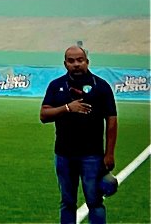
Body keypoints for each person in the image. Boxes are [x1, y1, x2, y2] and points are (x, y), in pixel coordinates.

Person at [40, 46, 118, 224]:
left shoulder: (102, 87)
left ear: (87, 62)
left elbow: (112, 120)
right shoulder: (56, 86)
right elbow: (44, 115)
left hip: (92, 156)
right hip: (63, 155)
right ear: (65, 63)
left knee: (95, 202)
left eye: (80, 60)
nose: (76, 64)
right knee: (67, 202)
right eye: (71, 61)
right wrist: (68, 108)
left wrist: (110, 153)